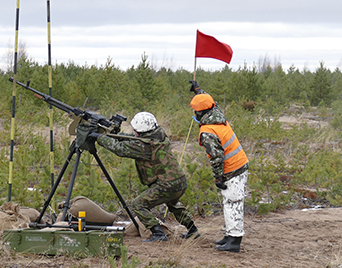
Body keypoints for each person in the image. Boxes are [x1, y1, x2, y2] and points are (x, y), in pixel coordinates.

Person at [82, 112, 200, 242]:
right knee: (174, 205)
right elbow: (133, 139)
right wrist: (112, 135)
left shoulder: (144, 147)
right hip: (179, 181)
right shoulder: (159, 136)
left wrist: (99, 138)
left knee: (138, 205)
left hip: (166, 184)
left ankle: (158, 233)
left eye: (136, 130)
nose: (134, 132)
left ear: (141, 131)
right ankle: (193, 230)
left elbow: (119, 149)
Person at [189, 80, 249, 253]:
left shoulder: (207, 131)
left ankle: (234, 241)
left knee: (233, 203)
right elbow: (208, 101)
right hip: (239, 164)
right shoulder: (216, 114)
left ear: (200, 112)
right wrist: (199, 90)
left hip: (232, 169)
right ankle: (230, 236)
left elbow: (216, 158)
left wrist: (218, 177)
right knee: (229, 202)